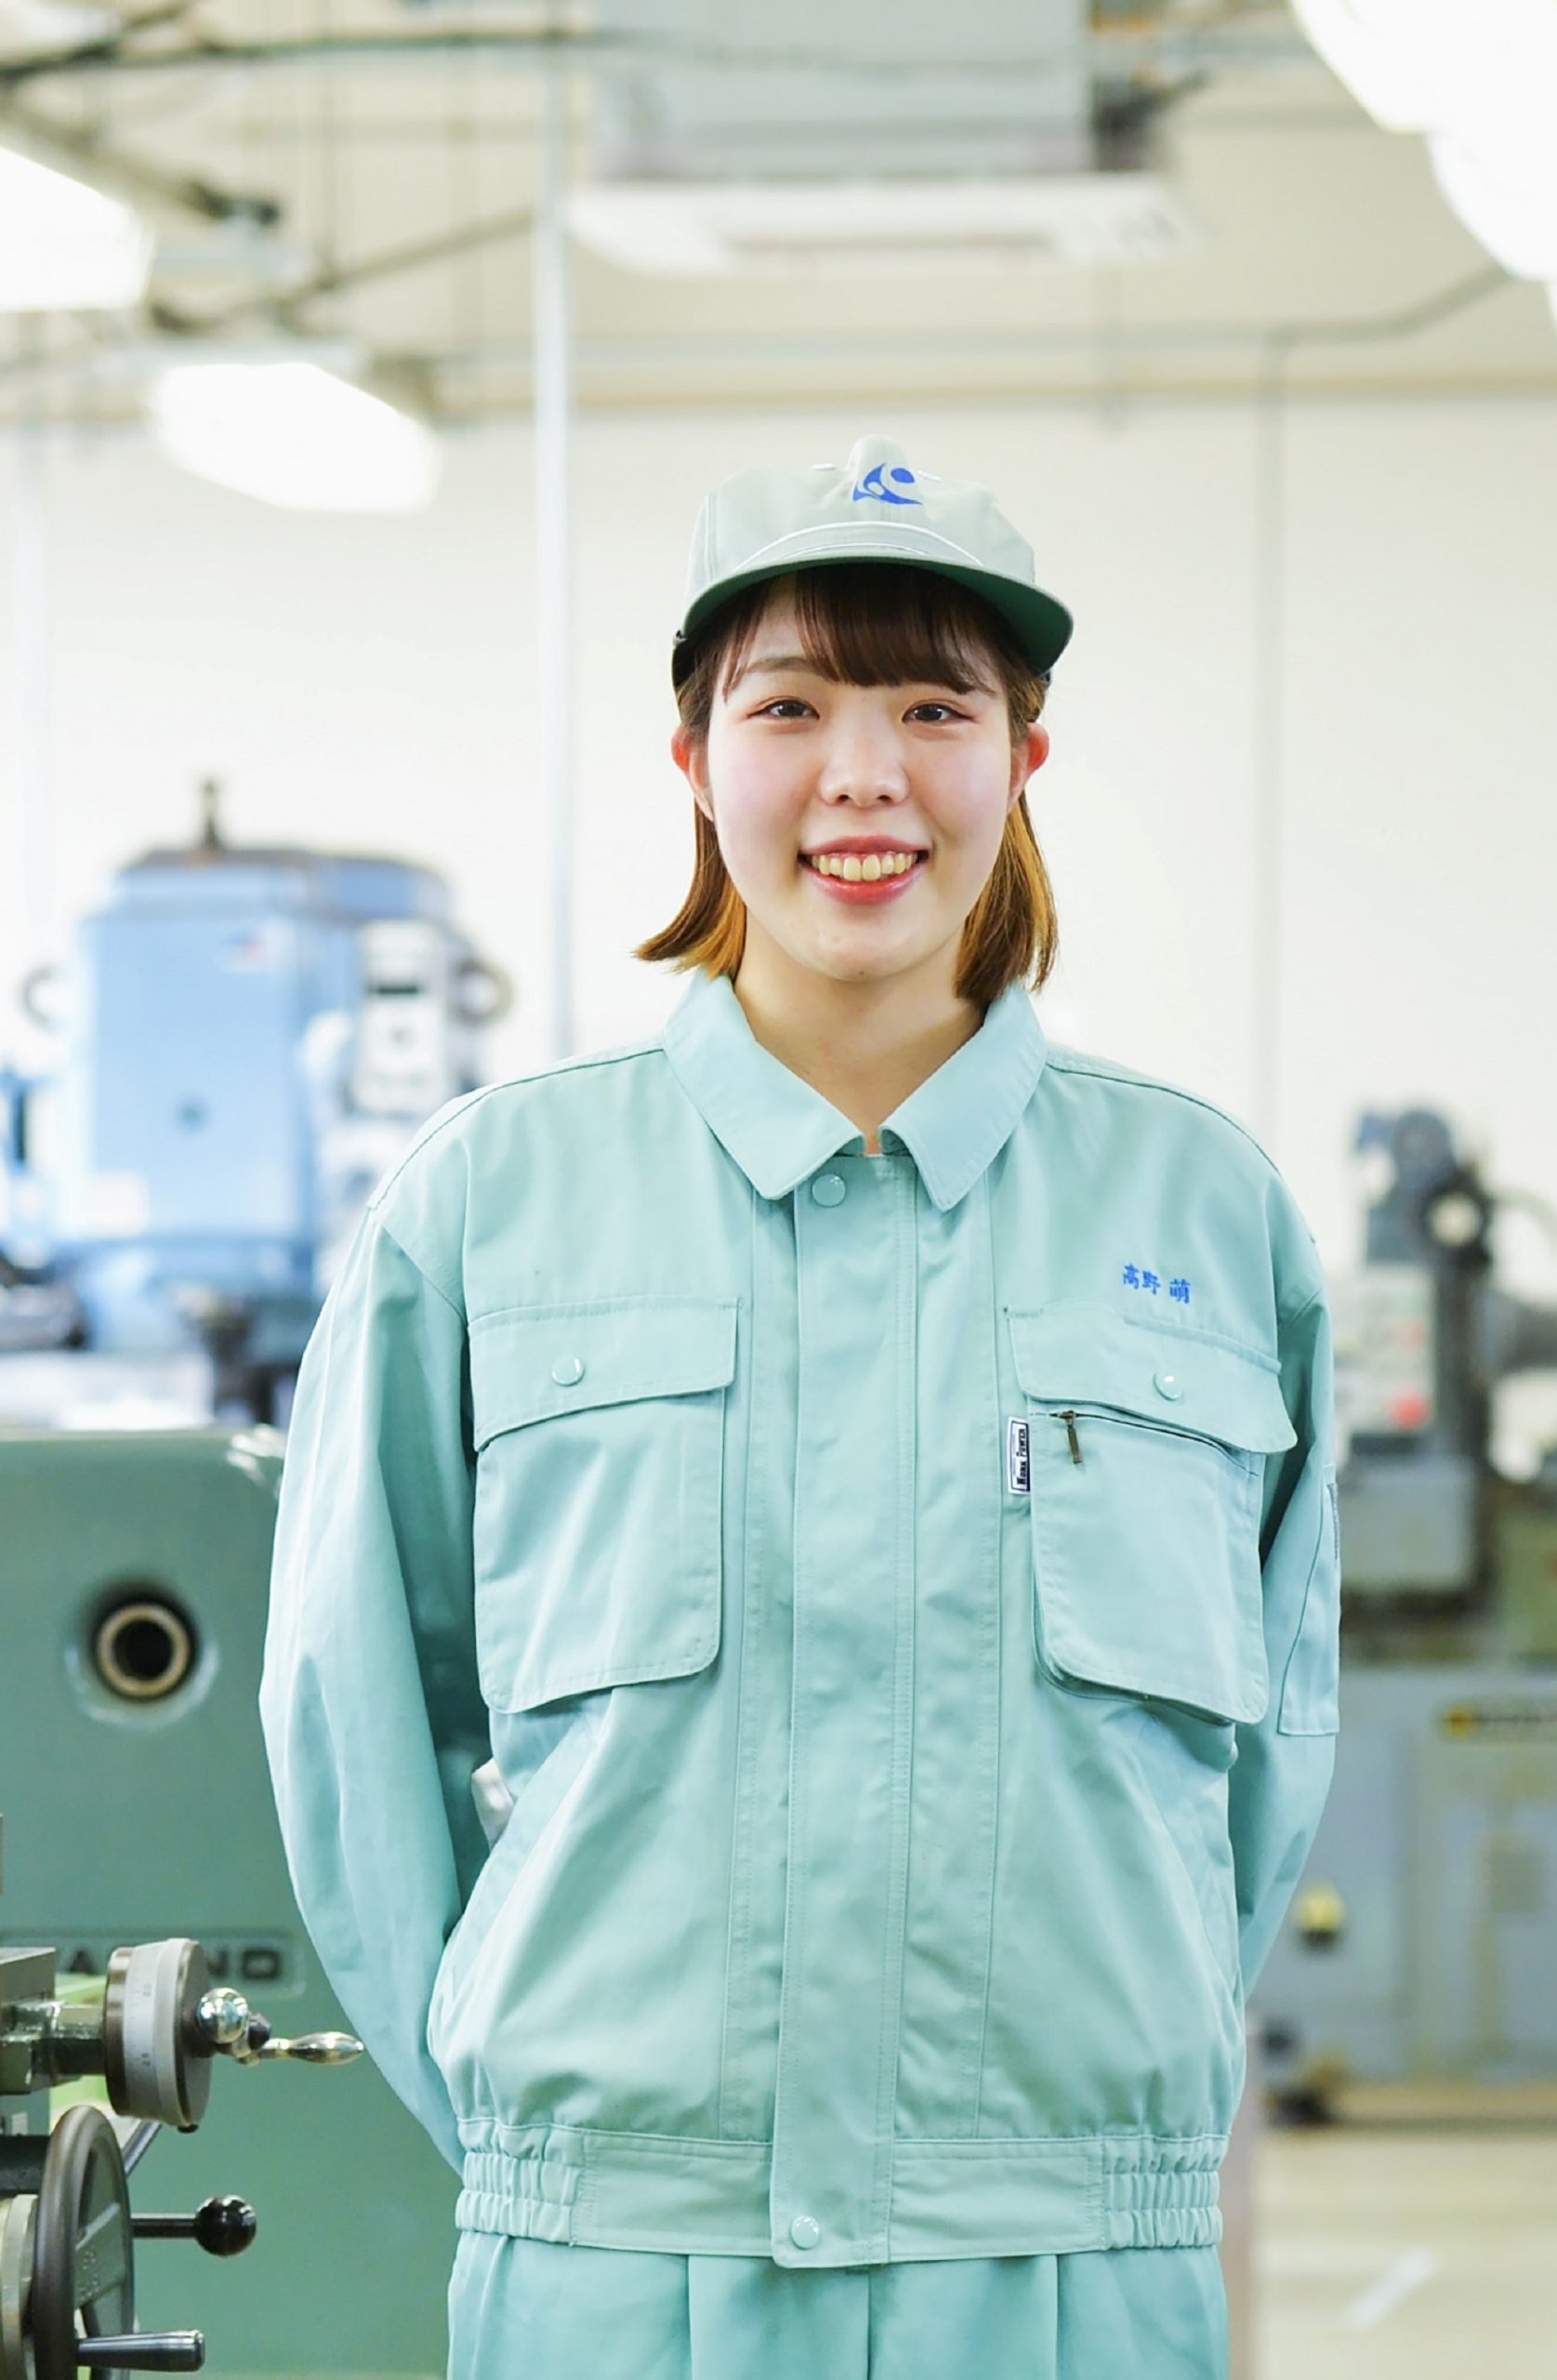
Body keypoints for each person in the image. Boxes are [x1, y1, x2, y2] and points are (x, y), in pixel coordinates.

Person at [259, 433, 1340, 2380]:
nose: (864, 774)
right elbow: (354, 1718)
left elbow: (1266, 1745)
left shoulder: (1202, 1216)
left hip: (1069, 2269)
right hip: (612, 2266)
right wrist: (550, 2141)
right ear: (693, 760)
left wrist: (1088, 2120)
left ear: (1020, 758)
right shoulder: (493, 1207)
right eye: (791, 705)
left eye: (934, 704)